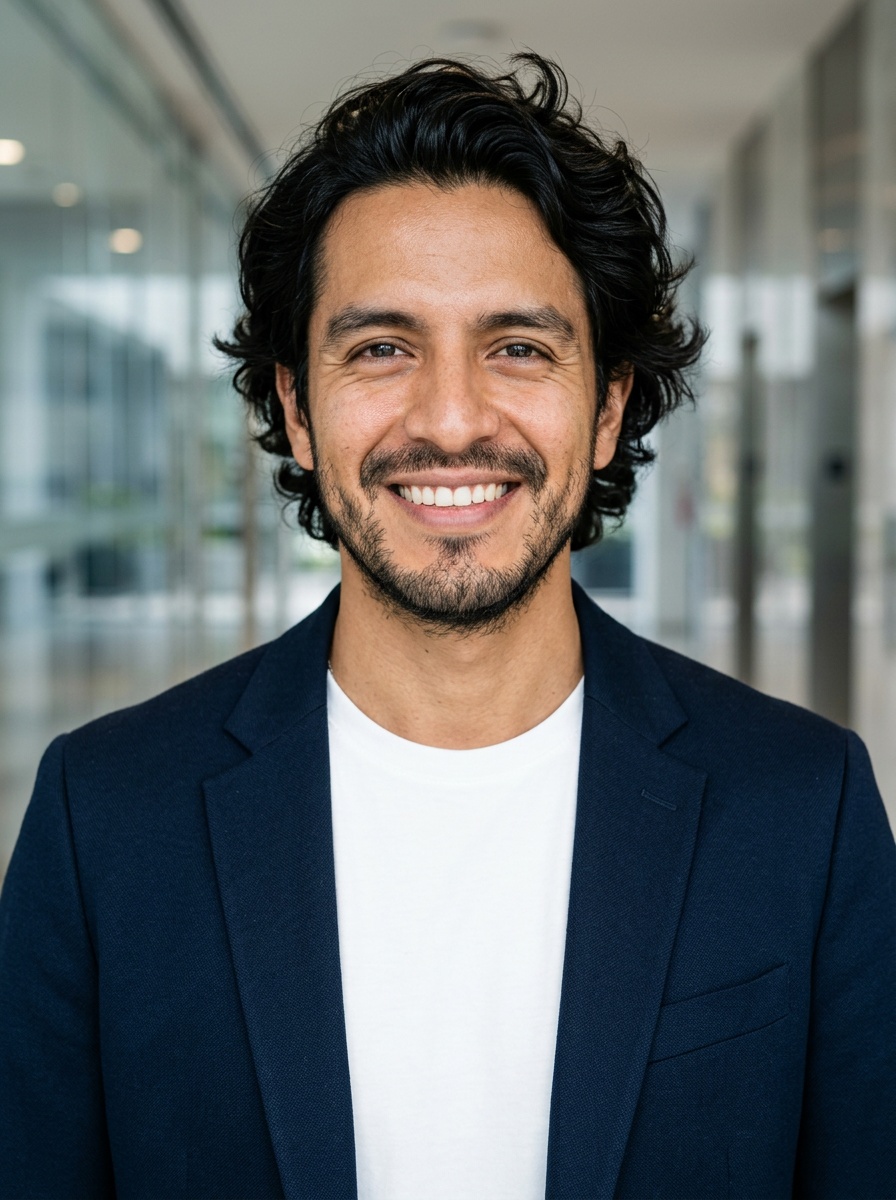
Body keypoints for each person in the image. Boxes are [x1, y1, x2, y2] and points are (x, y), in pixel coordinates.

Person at [0, 53, 893, 1200]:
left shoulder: (801, 808)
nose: (451, 418)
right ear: (295, 409)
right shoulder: (107, 818)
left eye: (518, 347)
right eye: (380, 348)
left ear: (609, 406)